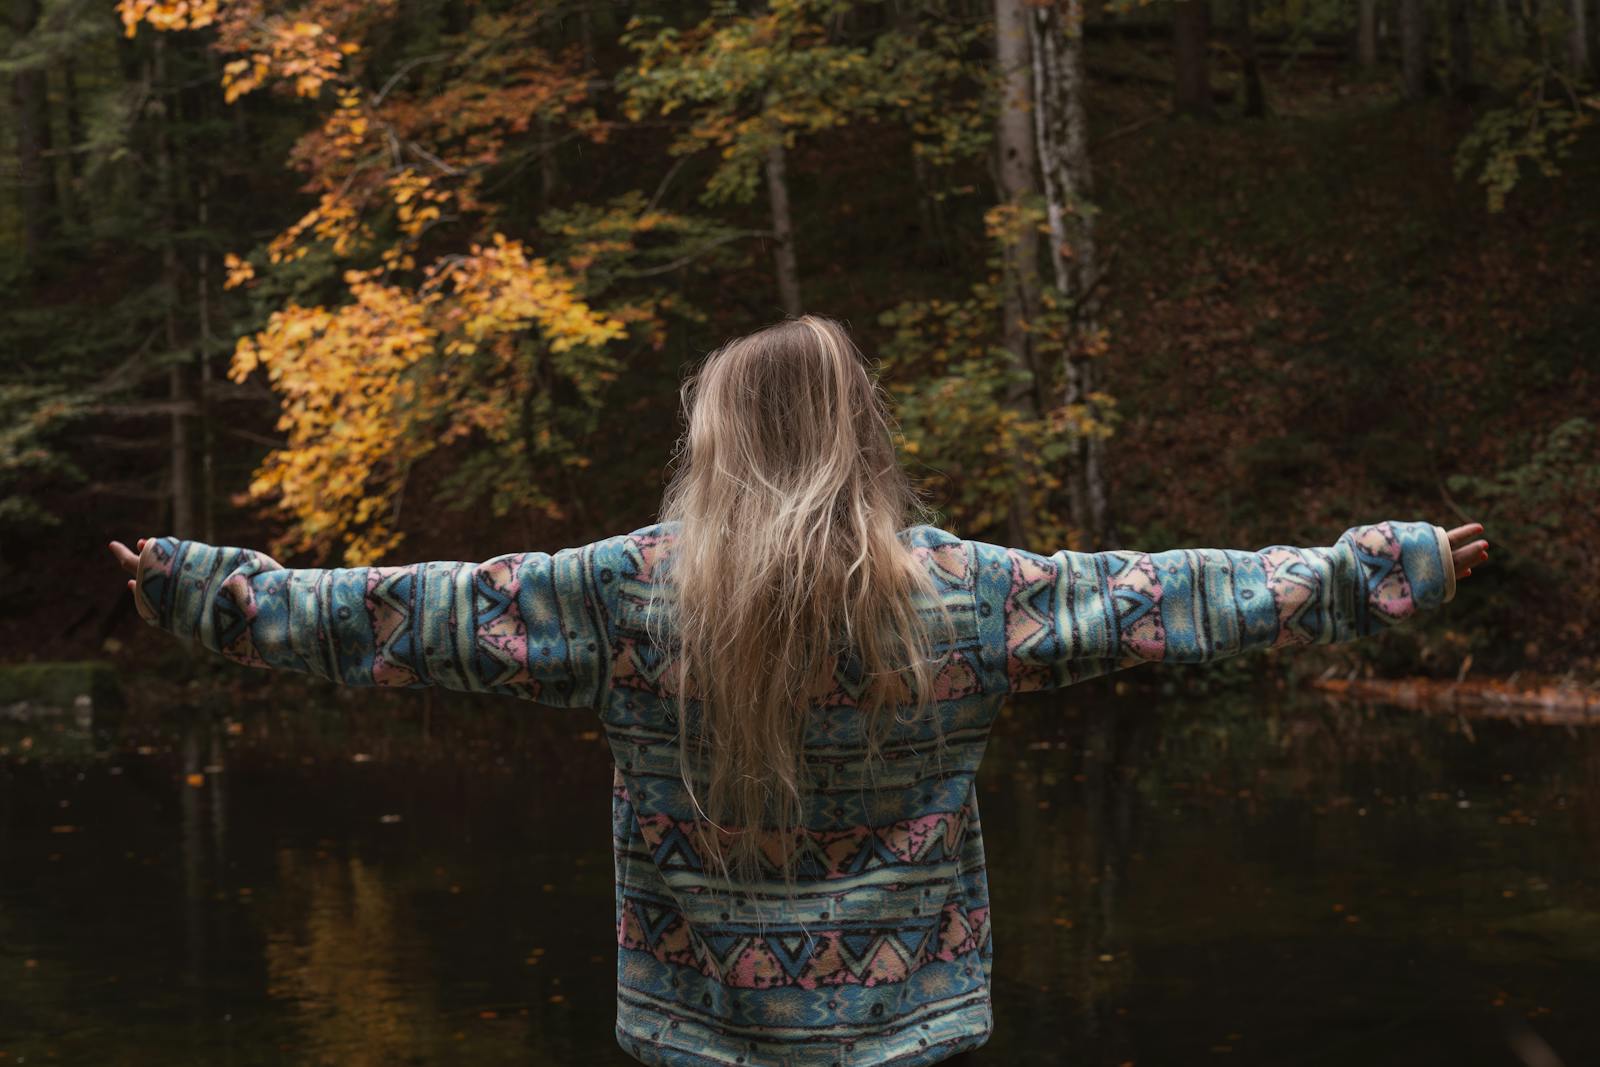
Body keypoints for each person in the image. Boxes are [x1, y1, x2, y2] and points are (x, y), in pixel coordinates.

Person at [109, 314, 1488, 1067]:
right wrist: (1380, 568)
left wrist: (209, 590)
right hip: (914, 1030)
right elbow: (1182, 596)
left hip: (694, 1026)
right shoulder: (962, 592)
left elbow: (405, 617)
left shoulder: (630, 591)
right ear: (855, 438)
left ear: (715, 444)